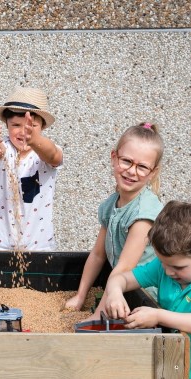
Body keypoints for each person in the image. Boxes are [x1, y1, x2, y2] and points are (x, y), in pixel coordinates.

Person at [65, 122, 164, 319]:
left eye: (142, 167)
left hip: (145, 297)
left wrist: (98, 317)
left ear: (152, 172)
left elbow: (125, 268)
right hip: (119, 289)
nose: (132, 171)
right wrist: (80, 296)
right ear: (114, 157)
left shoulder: (144, 213)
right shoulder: (112, 204)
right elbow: (98, 255)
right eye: (127, 161)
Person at [105, 200, 191, 374]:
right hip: (171, 364)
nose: (168, 272)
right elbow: (121, 279)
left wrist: (158, 315)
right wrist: (114, 293)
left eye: (178, 267)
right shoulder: (162, 268)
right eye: (163, 262)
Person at [0, 86, 63, 251]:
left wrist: (34, 141)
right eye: (16, 125)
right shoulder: (4, 147)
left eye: (31, 126)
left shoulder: (44, 152)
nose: (23, 132)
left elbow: (54, 156)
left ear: (43, 127)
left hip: (38, 246)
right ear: (7, 125)